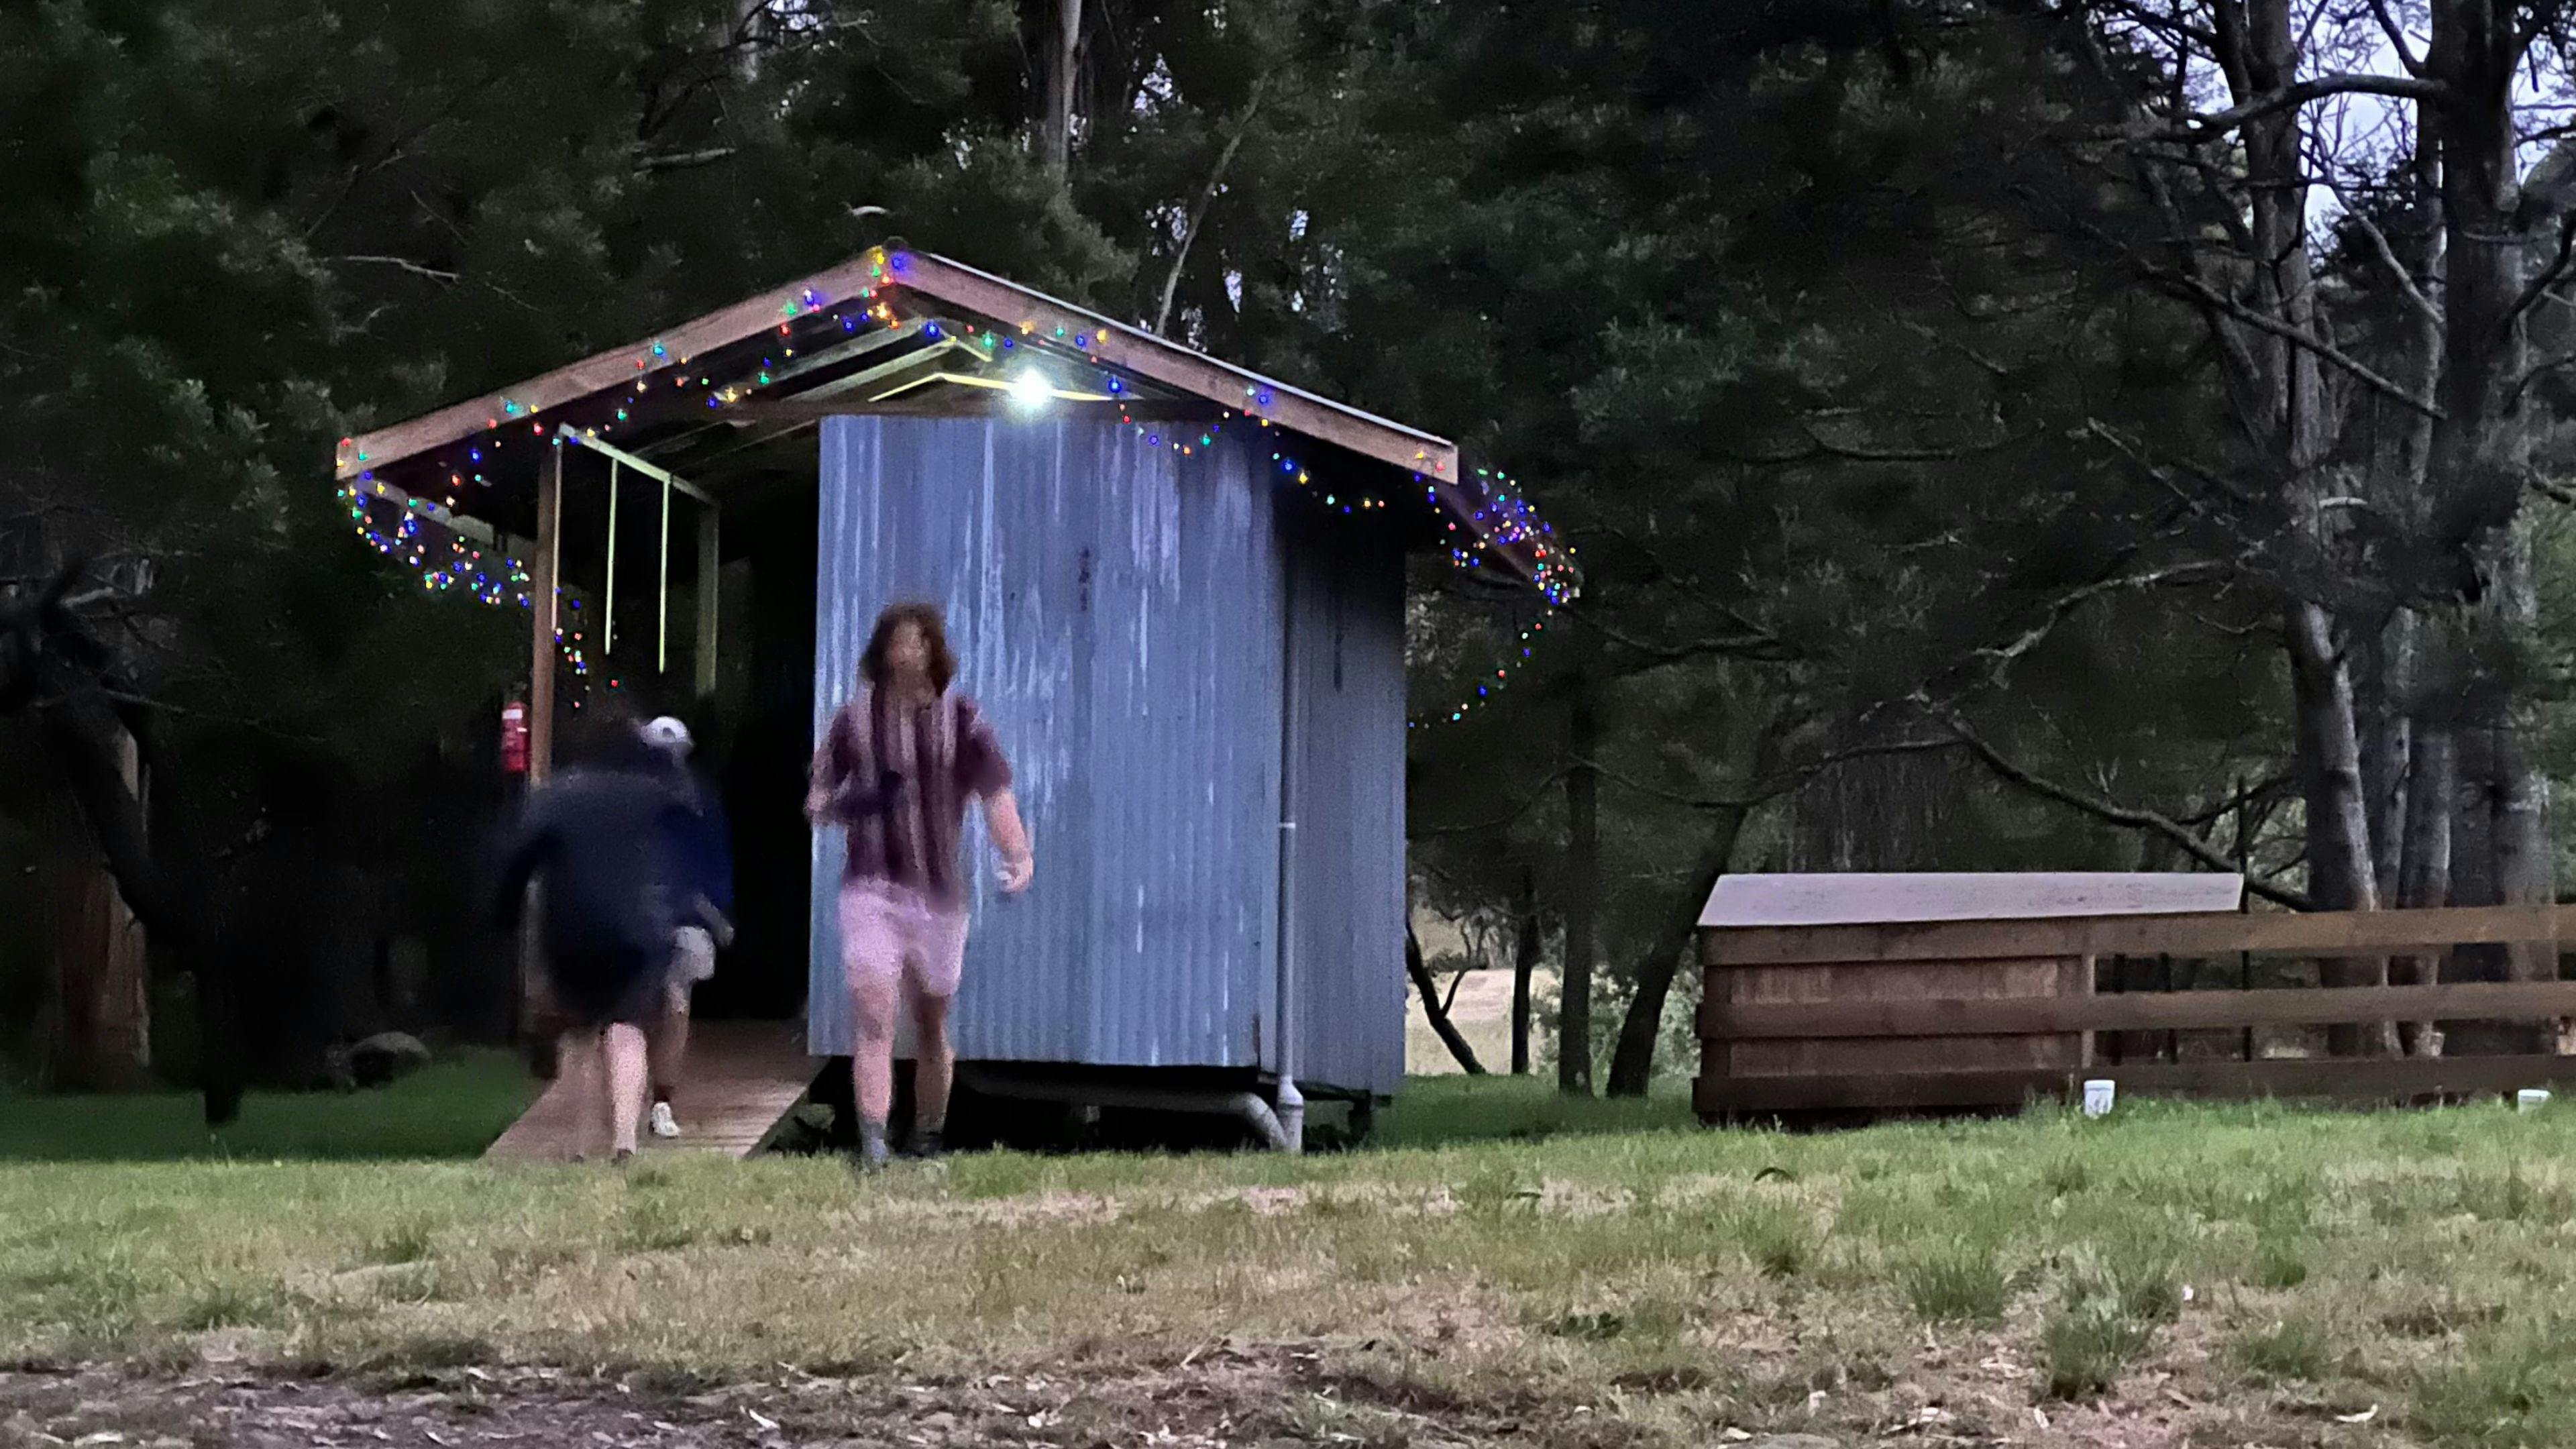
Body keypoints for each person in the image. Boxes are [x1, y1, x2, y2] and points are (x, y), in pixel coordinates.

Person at [806, 602, 1033, 1169]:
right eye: (897, 643)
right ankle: (874, 1143)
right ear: (881, 653)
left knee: (931, 1020)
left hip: (938, 893)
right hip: (871, 886)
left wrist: (1019, 853)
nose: (908, 653)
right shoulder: (853, 721)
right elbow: (815, 802)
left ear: (935, 651)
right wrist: (851, 803)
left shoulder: (964, 719)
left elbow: (995, 792)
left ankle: (927, 1137)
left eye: (919, 643)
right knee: (874, 1012)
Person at [491, 719, 685, 1163]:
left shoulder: (556, 797)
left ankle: (579, 1146)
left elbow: (518, 859)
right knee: (628, 1030)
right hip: (635, 932)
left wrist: (502, 915)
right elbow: (674, 857)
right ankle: (624, 1141)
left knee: (579, 1034)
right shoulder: (650, 796)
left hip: (573, 930)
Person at [637, 715, 734, 1139]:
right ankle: (630, 1100)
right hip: (636, 917)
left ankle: (661, 1102)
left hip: (685, 920)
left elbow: (715, 860)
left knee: (674, 1006)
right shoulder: (626, 797)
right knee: (634, 1014)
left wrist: (713, 912)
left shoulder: (701, 801)